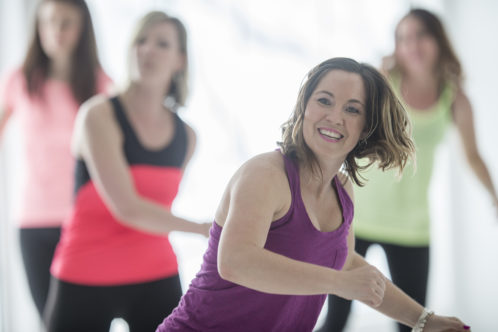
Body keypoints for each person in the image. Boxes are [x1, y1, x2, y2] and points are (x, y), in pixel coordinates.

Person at [156, 57, 470, 332]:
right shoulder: (266, 174)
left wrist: (424, 320)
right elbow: (236, 261)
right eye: (324, 101)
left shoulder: (343, 192)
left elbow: (346, 265)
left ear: (365, 126)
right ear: (304, 107)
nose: (335, 116)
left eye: (352, 108)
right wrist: (339, 283)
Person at [319, 9, 497, 332]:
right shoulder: (382, 82)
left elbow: (472, 156)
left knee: (413, 325)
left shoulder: (454, 100)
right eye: (403, 38)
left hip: (412, 228)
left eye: (420, 36)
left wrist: (494, 197)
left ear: (438, 40)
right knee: (335, 321)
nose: (411, 45)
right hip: (356, 219)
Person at [43, 11, 211, 332]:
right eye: (140, 40)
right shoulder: (97, 115)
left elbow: (158, 210)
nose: (147, 50)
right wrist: (204, 228)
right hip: (84, 274)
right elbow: (128, 207)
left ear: (180, 60)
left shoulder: (187, 137)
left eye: (161, 43)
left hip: (155, 274)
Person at [0, 0, 112, 318]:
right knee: (50, 323)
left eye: (66, 23)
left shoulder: (101, 85)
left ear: (82, 28)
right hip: (32, 222)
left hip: (85, 224)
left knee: (87, 321)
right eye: (48, 22)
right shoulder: (19, 81)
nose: (56, 32)